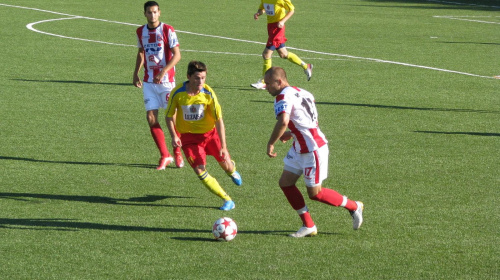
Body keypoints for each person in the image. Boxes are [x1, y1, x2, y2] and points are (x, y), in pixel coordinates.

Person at [264, 66, 363, 237]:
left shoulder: (282, 96)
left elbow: (283, 121)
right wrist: (292, 133)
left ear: (279, 81)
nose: (266, 87)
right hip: (299, 146)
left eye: (268, 83)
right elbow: (305, 118)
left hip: (312, 149)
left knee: (315, 193)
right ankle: (308, 225)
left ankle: (354, 206)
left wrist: (271, 143)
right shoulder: (303, 92)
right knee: (285, 183)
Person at [165, 61, 242, 211]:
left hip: (210, 135)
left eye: (203, 78)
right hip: (189, 139)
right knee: (199, 169)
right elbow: (168, 116)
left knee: (226, 165)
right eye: (197, 78)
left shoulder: (208, 94)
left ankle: (232, 170)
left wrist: (224, 147)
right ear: (188, 76)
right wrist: (174, 135)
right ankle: (227, 199)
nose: (200, 82)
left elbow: (219, 120)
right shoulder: (178, 93)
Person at [133, 1, 184, 170]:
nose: (152, 15)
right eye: (149, 12)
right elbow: (141, 53)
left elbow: (177, 55)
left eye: (155, 12)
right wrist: (135, 73)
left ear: (159, 13)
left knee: (172, 118)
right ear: (145, 14)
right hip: (148, 82)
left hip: (167, 82)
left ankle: (177, 151)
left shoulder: (168, 30)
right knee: (151, 118)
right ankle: (165, 155)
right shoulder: (140, 32)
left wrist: (163, 72)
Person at [251, 0, 313, 90]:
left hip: (278, 28)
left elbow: (291, 10)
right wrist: (258, 13)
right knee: (283, 54)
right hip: (270, 27)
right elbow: (263, 8)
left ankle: (264, 82)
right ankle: (306, 66)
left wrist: (283, 21)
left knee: (266, 54)